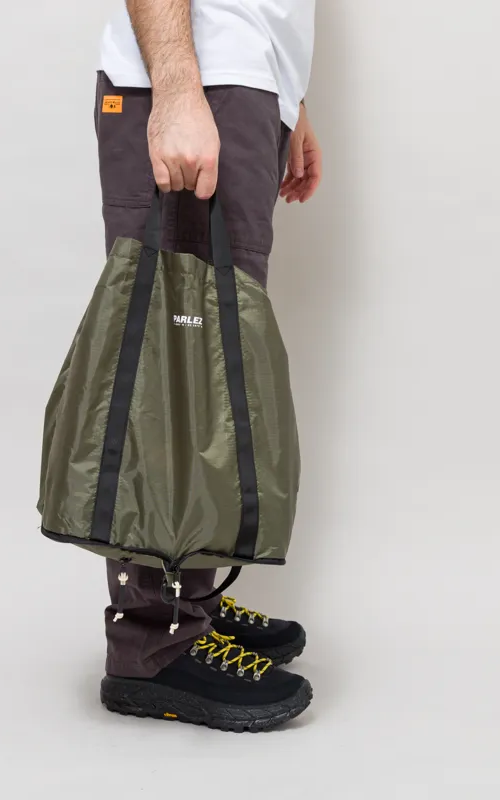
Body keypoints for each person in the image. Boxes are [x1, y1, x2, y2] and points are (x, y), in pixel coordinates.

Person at [95, 0, 321, 731]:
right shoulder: (188, 85)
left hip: (238, 81)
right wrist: (177, 91)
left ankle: (189, 605)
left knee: (211, 372)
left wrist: (289, 98)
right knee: (174, 374)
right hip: (196, 80)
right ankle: (154, 642)